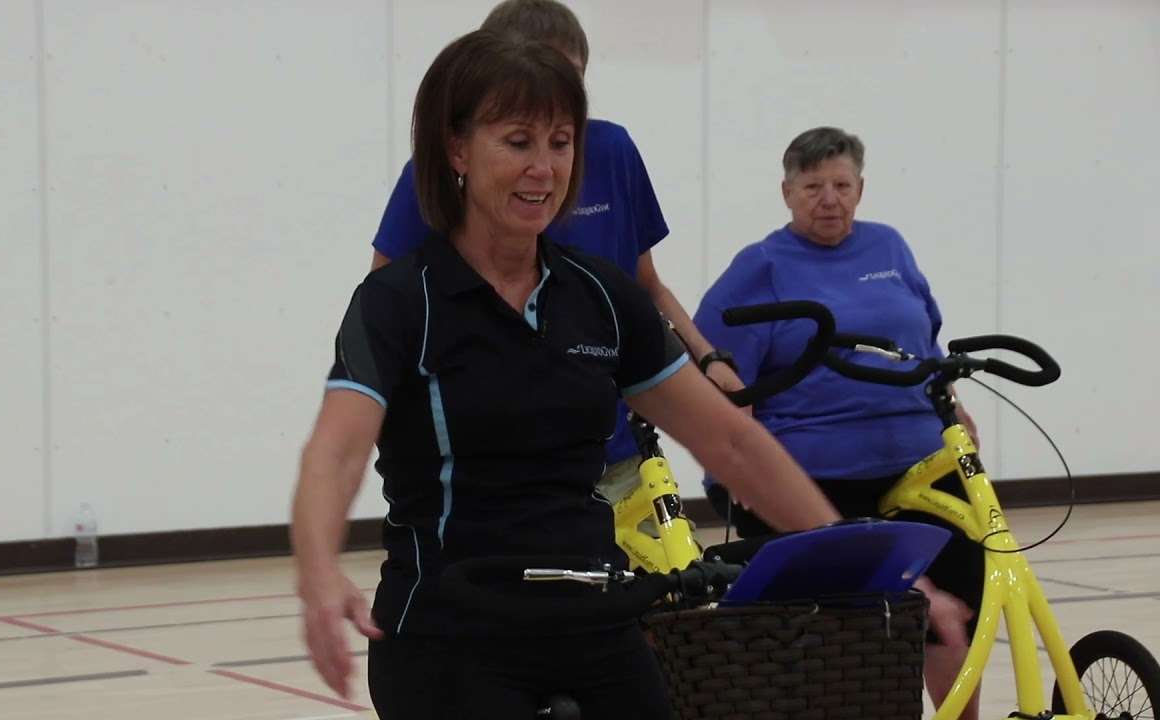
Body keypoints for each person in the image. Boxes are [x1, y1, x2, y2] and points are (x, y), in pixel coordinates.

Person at [292, 31, 842, 720]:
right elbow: (336, 451)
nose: (544, 168)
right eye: (518, 141)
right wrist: (317, 571)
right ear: (458, 149)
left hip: (593, 621)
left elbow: (729, 441)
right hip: (449, 632)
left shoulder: (602, 295)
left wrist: (846, 552)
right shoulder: (400, 303)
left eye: (560, 142)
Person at [368, 0, 746, 528]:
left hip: (615, 446)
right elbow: (386, 313)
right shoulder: (435, 177)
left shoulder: (612, 150)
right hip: (499, 465)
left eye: (569, 85)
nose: (553, 99)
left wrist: (707, 360)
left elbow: (647, 286)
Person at [692, 125, 984, 720]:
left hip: (918, 460)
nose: (829, 199)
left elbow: (922, 341)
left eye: (842, 185)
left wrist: (952, 404)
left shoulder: (889, 247)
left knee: (961, 600)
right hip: (814, 470)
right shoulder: (761, 267)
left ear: (860, 189)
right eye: (812, 187)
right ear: (787, 193)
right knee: (850, 620)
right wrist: (736, 458)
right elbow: (716, 372)